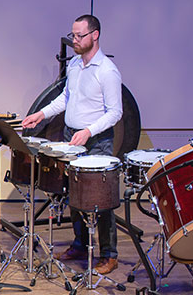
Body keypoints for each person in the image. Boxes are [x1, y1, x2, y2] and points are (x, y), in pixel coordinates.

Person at [21, 14, 122, 275]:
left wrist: (89, 131)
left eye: (79, 36)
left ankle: (109, 254)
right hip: (72, 136)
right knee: (72, 192)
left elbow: (115, 113)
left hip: (96, 140)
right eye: (73, 35)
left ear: (95, 35)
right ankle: (80, 243)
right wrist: (42, 114)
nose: (74, 40)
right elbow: (66, 98)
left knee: (100, 199)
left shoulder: (108, 72)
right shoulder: (76, 65)